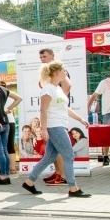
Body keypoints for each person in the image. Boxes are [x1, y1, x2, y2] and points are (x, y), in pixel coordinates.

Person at [22, 62, 91, 197]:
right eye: (64, 70)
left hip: (59, 125)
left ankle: (29, 182)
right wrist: (44, 129)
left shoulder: (57, 89)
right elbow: (43, 109)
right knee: (69, 155)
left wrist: (80, 119)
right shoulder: (48, 89)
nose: (65, 73)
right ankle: (73, 188)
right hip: (54, 126)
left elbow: (65, 108)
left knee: (49, 157)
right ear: (56, 73)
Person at [38, 48, 70, 185]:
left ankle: (62, 174)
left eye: (44, 56)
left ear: (52, 56)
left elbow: (68, 85)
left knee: (60, 148)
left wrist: (60, 98)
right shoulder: (49, 78)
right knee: (51, 152)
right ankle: (57, 173)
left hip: (56, 117)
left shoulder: (57, 70)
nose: (42, 59)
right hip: (52, 116)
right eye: (41, 57)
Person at [0, 69, 22, 185]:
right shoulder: (3, 89)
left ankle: (3, 176)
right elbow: (19, 98)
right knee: (4, 149)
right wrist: (7, 109)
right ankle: (5, 174)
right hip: (6, 122)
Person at [86, 61, 110, 165]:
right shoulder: (105, 83)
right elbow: (95, 95)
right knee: (107, 135)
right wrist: (87, 105)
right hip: (109, 112)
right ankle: (105, 156)